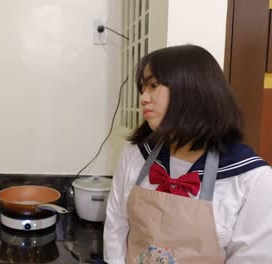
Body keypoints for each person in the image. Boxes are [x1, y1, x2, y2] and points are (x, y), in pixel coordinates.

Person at [103, 44, 272, 264]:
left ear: (193, 90)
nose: (143, 98)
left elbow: (252, 258)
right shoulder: (135, 153)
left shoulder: (253, 179)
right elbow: (117, 224)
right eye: (143, 88)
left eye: (153, 85)